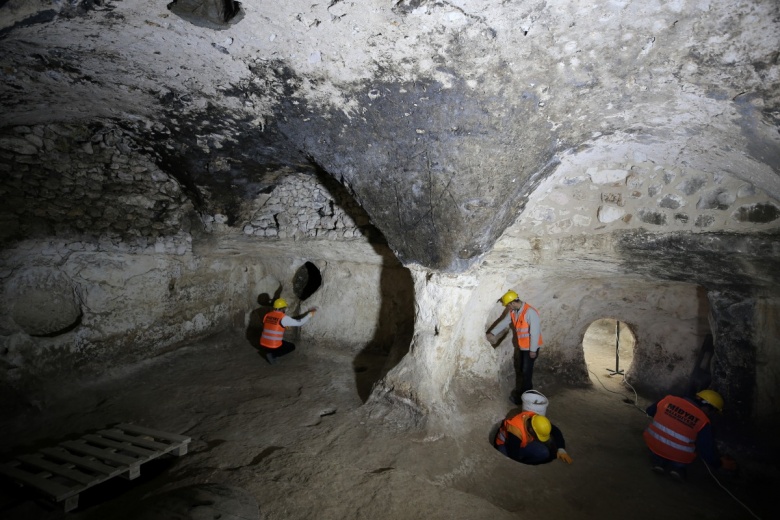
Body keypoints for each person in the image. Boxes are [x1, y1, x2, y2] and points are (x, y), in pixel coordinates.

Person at [643, 389, 737, 480]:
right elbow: (705, 450)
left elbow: (649, 411)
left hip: (652, 445)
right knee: (683, 457)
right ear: (709, 408)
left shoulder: (669, 399)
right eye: (713, 412)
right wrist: (719, 463)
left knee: (659, 452)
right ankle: (678, 469)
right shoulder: (704, 421)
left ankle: (659, 462)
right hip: (679, 458)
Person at [486, 290, 543, 403]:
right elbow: (504, 322)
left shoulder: (530, 312)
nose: (508, 307)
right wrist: (492, 333)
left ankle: (525, 398)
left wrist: (532, 350)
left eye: (508, 305)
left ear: (513, 303)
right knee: (523, 370)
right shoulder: (513, 312)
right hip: (523, 347)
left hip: (531, 348)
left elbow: (535, 333)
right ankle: (524, 395)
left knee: (526, 372)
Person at [494, 410, 572, 465]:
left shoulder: (536, 420)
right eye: (537, 435)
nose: (537, 438)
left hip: (522, 443)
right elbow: (513, 454)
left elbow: (555, 430)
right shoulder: (516, 430)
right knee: (508, 463)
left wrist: (561, 449)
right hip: (505, 444)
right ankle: (523, 460)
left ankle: (526, 460)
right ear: (531, 429)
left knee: (543, 453)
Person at [259, 298, 316, 364]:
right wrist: (310, 314)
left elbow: (271, 325)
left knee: (280, 343)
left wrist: (283, 325)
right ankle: (273, 355)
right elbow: (299, 323)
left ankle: (268, 351)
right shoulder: (283, 318)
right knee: (291, 347)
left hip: (263, 344)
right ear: (283, 308)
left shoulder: (267, 315)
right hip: (273, 345)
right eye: (285, 308)